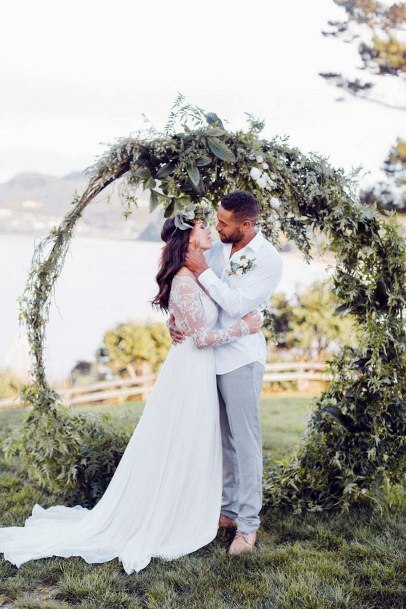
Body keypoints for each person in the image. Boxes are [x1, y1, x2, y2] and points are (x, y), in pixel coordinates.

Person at [0, 211, 262, 575]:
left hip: (197, 371)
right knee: (184, 441)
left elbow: (202, 314)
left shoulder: (198, 274)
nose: (209, 231)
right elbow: (201, 338)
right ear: (188, 241)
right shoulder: (186, 281)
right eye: (203, 227)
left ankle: (194, 507)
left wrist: (178, 318)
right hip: (191, 370)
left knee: (193, 442)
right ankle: (176, 513)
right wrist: (245, 328)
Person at [168, 190, 283, 555]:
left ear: (246, 225)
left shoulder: (268, 260)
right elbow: (197, 296)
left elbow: (236, 306)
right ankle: (228, 510)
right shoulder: (219, 247)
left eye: (224, 223)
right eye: (216, 221)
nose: (217, 227)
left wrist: (204, 272)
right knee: (222, 440)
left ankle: (248, 526)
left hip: (240, 358)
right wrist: (175, 319)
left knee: (244, 441)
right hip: (207, 357)